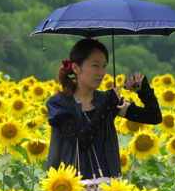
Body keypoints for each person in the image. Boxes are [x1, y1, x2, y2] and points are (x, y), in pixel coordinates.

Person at [45, 38, 162, 180]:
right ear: (76, 68)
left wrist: (145, 91)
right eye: (95, 66)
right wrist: (107, 105)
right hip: (72, 190)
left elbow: (153, 117)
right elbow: (80, 142)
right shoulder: (59, 104)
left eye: (104, 66)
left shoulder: (105, 100)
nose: (101, 72)